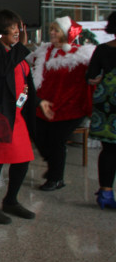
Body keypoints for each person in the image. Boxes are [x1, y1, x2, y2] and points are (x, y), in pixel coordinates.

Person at [0, 10, 53, 224]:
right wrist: (21, 47)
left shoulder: (13, 51)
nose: (17, 31)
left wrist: (38, 102)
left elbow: (25, 85)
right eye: (12, 27)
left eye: (18, 27)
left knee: (23, 159)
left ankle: (11, 200)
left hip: (16, 115)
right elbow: (2, 70)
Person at [27, 16, 94, 191]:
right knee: (37, 134)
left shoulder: (80, 54)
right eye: (51, 29)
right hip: (44, 104)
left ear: (65, 33)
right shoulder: (44, 51)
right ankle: (54, 167)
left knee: (57, 141)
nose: (52, 33)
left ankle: (56, 178)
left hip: (70, 107)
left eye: (56, 30)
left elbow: (92, 75)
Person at [85, 11, 116, 209]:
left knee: (109, 150)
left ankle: (105, 192)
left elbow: (91, 77)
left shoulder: (102, 49)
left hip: (107, 107)